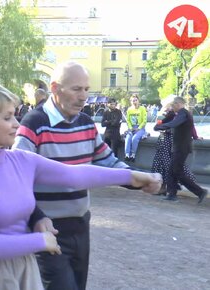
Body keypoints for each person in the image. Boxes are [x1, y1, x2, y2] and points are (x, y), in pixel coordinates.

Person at [0, 82, 161, 290]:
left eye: (14, 114)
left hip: (22, 266)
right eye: (7, 117)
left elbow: (74, 175)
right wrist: (39, 241)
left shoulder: (21, 160)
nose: (16, 123)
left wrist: (131, 177)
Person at [13, 61, 156, 290]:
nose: (84, 97)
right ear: (55, 88)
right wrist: (36, 217)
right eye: (76, 89)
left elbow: (108, 161)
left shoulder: (86, 123)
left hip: (81, 224)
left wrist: (137, 178)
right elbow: (14, 177)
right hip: (47, 227)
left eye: (87, 89)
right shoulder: (34, 123)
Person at [154, 97, 208, 203]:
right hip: (178, 147)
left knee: (177, 171)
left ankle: (200, 192)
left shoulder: (183, 113)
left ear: (178, 104)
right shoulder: (177, 114)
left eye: (173, 105)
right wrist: (159, 124)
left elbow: (175, 124)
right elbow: (163, 122)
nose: (172, 107)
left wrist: (162, 126)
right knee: (172, 170)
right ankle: (172, 194)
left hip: (182, 147)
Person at [124, 94, 147, 162]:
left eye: (136, 100)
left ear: (138, 101)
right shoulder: (129, 109)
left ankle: (133, 155)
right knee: (128, 138)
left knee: (135, 138)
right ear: (131, 102)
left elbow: (144, 121)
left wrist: (139, 128)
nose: (134, 102)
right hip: (131, 128)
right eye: (133, 101)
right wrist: (130, 128)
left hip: (140, 128)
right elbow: (127, 120)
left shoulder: (142, 108)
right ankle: (127, 154)